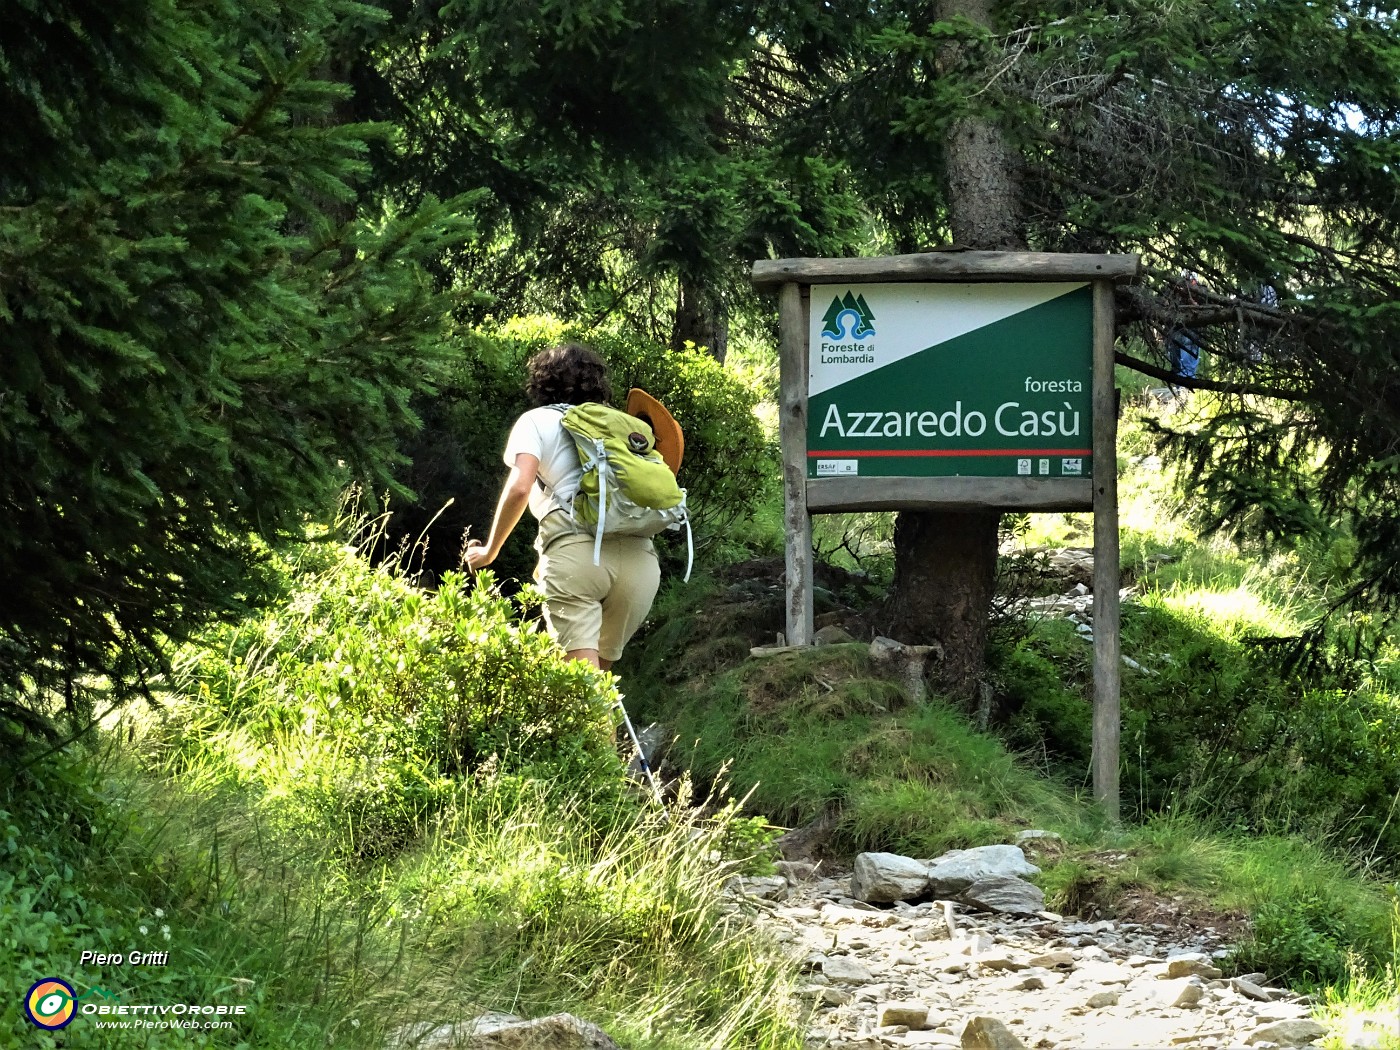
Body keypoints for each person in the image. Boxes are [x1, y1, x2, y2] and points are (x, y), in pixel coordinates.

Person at [464, 343, 661, 671]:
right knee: (600, 686)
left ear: (542, 384)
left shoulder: (536, 421)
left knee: (582, 694)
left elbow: (520, 487)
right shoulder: (623, 426)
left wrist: (490, 551)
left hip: (577, 555)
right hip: (640, 561)